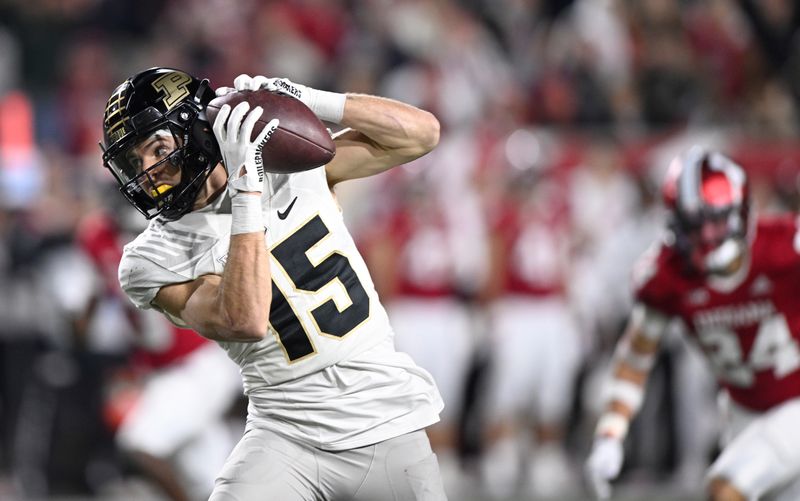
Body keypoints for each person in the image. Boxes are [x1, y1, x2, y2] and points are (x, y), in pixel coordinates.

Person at [100, 67, 446, 501]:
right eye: (134, 161)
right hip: (284, 433)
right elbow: (245, 318)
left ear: (197, 131)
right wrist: (248, 191)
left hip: (382, 416)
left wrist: (307, 97)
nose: (148, 172)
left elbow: (422, 134)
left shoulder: (289, 168)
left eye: (155, 149)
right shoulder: (149, 258)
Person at [585, 146, 800, 501]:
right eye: (694, 226)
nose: (707, 238)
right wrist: (610, 434)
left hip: (796, 400)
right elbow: (635, 358)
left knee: (725, 490)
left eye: (717, 221)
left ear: (742, 212)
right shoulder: (667, 274)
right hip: (744, 411)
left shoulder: (785, 247)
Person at [73, 205, 243, 501]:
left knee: (140, 443)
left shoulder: (177, 226)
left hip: (199, 361)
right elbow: (98, 290)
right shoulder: (99, 237)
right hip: (164, 371)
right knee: (209, 477)